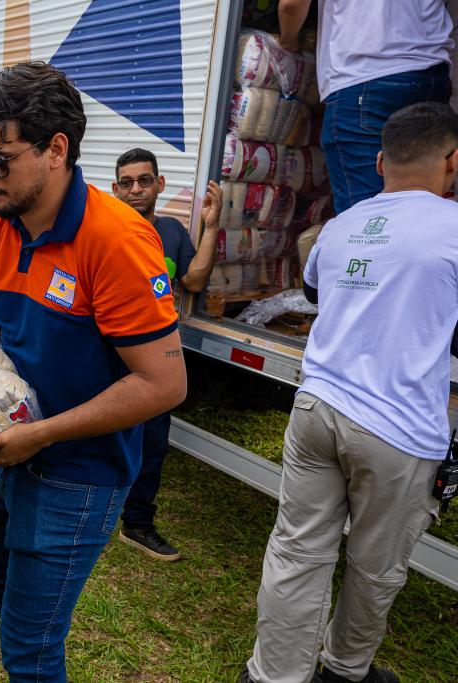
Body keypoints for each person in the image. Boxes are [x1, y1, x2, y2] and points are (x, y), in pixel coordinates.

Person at [0, 61, 188, 681]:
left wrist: (42, 433)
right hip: (11, 456)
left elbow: (164, 384)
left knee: (30, 653)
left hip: (78, 475)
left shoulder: (117, 240)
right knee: (6, 607)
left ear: (56, 149)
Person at [242, 102, 458, 683]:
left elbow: (314, 290)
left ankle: (274, 675)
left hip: (317, 409)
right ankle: (343, 671)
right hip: (398, 432)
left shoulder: (339, 227)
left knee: (297, 549)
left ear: (381, 160)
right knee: (374, 567)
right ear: (453, 160)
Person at [112, 147, 222, 561]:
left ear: (159, 184)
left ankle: (137, 524)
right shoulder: (106, 229)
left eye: (144, 180)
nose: (136, 189)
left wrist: (211, 227)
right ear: (115, 189)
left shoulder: (173, 233)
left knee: (152, 444)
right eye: (127, 182)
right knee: (101, 439)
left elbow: (193, 280)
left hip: (155, 358)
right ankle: (91, 514)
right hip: (108, 355)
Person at [278, 0, 452, 213]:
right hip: (431, 72)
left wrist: (289, 41)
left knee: (365, 221)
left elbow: (292, 4)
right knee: (422, 208)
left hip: (364, 73)